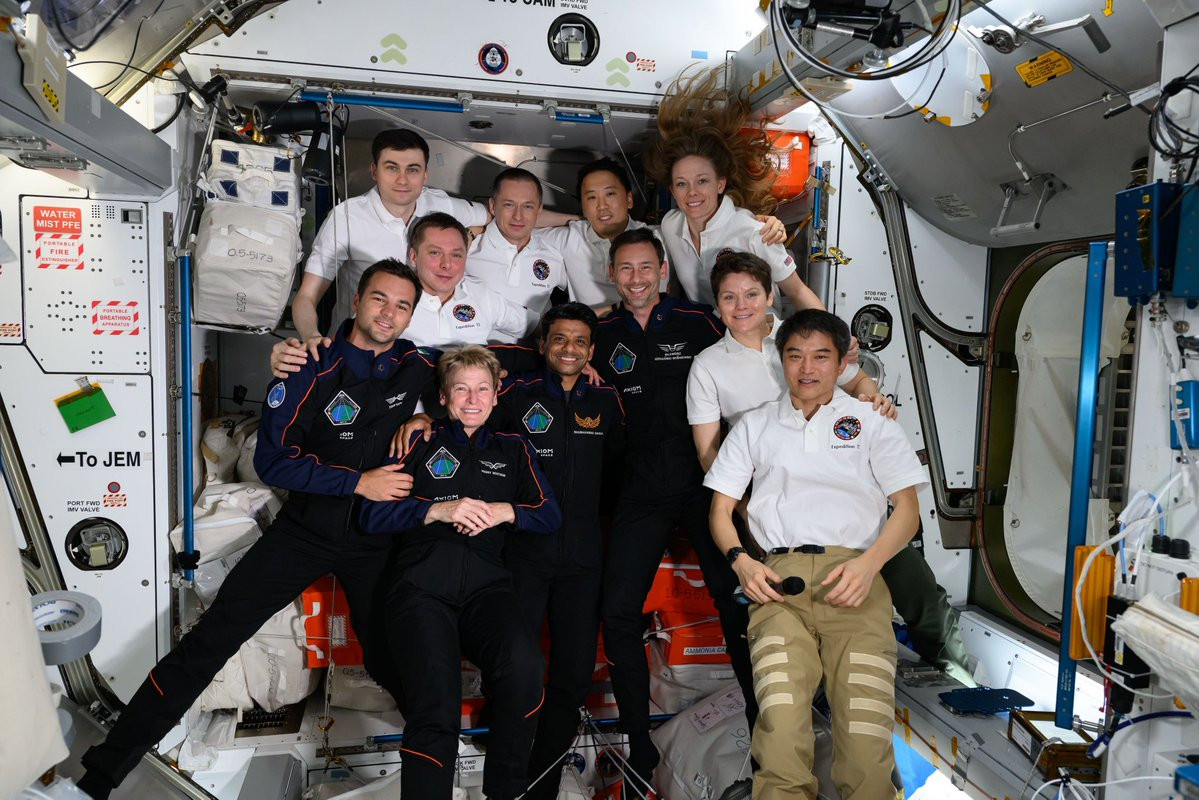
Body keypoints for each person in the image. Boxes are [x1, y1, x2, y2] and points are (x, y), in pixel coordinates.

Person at [78, 259, 435, 799]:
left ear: (411, 316)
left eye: (402, 305)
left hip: (374, 539)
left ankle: (438, 768)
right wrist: (358, 482)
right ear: (357, 300)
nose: (389, 312)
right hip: (306, 531)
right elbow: (273, 462)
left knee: (392, 656)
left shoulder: (416, 365)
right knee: (213, 639)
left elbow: (480, 380)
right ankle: (100, 775)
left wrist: (428, 417)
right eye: (380, 299)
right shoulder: (308, 364)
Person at [689, 252, 974, 685]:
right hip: (778, 506)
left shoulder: (803, 337)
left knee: (918, 593)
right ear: (717, 304)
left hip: (849, 499)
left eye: (751, 294)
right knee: (793, 613)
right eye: (729, 297)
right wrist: (747, 512)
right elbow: (709, 451)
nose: (741, 305)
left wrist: (873, 398)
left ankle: (958, 679)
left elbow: (856, 380)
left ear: (770, 296)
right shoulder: (708, 365)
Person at [706, 309, 927, 800]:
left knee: (866, 746)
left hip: (856, 583)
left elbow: (908, 511)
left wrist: (869, 565)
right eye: (795, 356)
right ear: (780, 361)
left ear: (842, 361)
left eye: (821, 356)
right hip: (778, 588)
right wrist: (742, 561)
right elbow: (720, 511)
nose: (807, 368)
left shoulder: (871, 421)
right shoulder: (754, 425)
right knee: (780, 738)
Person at [359, 346, 561, 800]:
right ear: (443, 397)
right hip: (420, 589)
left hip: (488, 590)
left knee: (525, 668)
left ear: (495, 395)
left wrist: (506, 510)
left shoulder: (513, 448)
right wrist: (436, 510)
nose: (473, 399)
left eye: (482, 389)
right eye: (462, 389)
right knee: (436, 705)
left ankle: (506, 792)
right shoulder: (417, 441)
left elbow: (550, 515)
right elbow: (371, 516)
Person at [591, 227, 750, 792]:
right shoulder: (598, 332)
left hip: (701, 483)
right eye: (625, 268)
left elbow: (762, 345)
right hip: (635, 491)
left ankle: (761, 719)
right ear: (612, 273)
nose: (636, 278)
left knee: (734, 601)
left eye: (646, 267)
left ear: (663, 270)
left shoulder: (701, 321)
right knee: (617, 612)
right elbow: (557, 359)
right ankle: (639, 742)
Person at [274, 131, 573, 372]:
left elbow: (508, 215)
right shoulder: (347, 218)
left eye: (413, 170)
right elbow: (307, 298)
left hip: (419, 356)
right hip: (358, 350)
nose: (403, 180)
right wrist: (312, 338)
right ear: (374, 171)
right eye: (392, 168)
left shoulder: (439, 204)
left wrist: (580, 222)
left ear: (426, 174)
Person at [491, 303, 626, 799]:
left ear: (592, 350)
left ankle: (542, 784)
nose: (570, 349)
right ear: (543, 345)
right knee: (517, 672)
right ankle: (506, 781)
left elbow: (616, 468)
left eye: (580, 341)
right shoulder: (515, 393)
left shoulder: (607, 400)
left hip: (583, 560)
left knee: (571, 676)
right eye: (560, 339)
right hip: (523, 554)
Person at [646, 69, 821, 312]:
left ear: (720, 184)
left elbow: (797, 291)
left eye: (702, 181)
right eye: (682, 183)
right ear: (672, 191)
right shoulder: (670, 225)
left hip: (761, 332)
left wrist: (831, 333)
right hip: (710, 333)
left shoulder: (755, 231)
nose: (692, 192)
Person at [537, 158, 788, 310]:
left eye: (610, 194)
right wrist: (577, 219)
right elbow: (519, 220)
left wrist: (754, 222)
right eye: (591, 198)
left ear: (629, 199)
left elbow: (708, 223)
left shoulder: (661, 236)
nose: (602, 206)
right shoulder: (568, 238)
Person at [466, 168, 569, 315]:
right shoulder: (466, 249)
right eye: (509, 204)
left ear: (539, 210)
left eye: (528, 206)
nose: (518, 216)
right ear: (493, 206)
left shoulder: (555, 256)